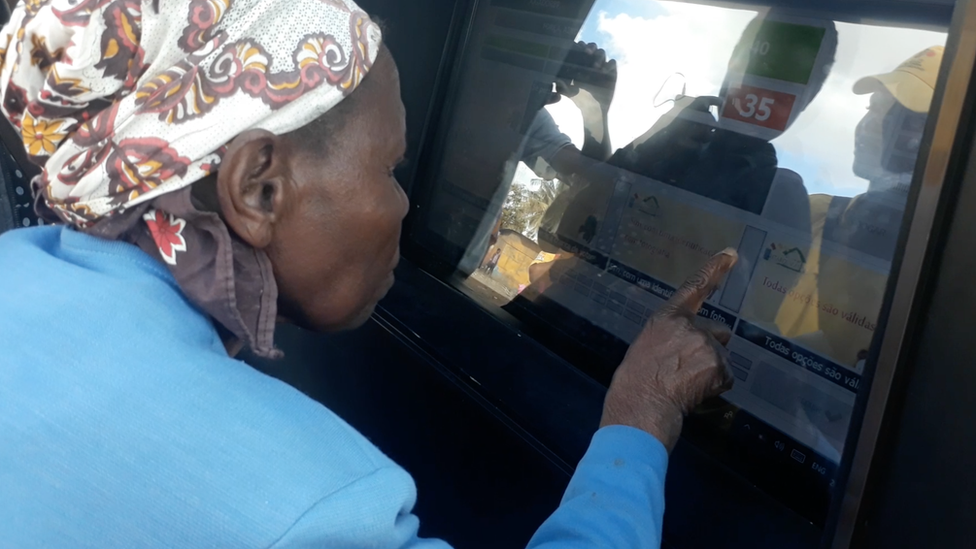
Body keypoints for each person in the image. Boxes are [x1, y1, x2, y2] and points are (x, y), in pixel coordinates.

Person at [0, 1, 739, 548]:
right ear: (259, 187)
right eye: (389, 167)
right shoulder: (306, 504)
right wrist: (640, 418)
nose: (406, 204)